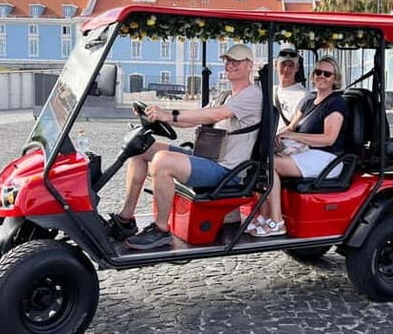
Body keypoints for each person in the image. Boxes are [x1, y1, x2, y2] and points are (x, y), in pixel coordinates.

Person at [110, 43, 262, 250]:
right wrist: (159, 115)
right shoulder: (226, 95)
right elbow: (193, 119)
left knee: (162, 162)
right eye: (227, 60)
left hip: (228, 170)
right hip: (208, 159)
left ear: (249, 65)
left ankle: (161, 229)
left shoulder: (253, 95)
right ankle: (126, 218)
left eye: (236, 61)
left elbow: (215, 115)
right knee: (142, 148)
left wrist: (169, 115)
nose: (229, 64)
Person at [249, 55, 346, 237]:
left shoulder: (336, 103)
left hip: (327, 158)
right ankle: (263, 217)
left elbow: (328, 139)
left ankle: (277, 221)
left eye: (327, 74)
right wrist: (275, 137)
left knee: (271, 164)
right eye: (318, 72)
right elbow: (291, 127)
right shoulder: (309, 101)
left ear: (335, 79)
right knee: (259, 159)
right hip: (307, 153)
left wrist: (293, 136)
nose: (322, 76)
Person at [274, 46, 307, 131]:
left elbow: (301, 127)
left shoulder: (304, 96)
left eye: (291, 66)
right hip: (267, 141)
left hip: (287, 142)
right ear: (275, 65)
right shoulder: (270, 91)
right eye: (283, 64)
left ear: (297, 68)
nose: (286, 69)